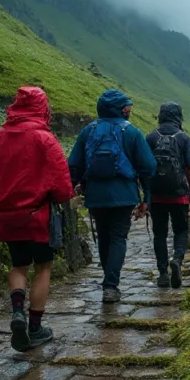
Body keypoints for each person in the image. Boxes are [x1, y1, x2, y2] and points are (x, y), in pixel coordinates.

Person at [0, 87, 73, 352]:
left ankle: (16, 313)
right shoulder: (45, 139)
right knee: (43, 267)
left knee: (18, 265)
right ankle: (35, 327)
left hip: (8, 216)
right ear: (42, 108)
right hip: (38, 216)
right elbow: (62, 185)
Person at [68, 89, 156, 303]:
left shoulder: (88, 131)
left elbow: (73, 164)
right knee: (118, 237)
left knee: (103, 235)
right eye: (126, 107)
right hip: (123, 194)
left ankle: (108, 279)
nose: (128, 110)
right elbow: (149, 166)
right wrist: (146, 198)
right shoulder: (132, 132)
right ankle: (110, 285)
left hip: (95, 194)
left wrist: (74, 187)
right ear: (120, 109)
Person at [146, 102, 190, 288]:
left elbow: (144, 167)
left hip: (157, 195)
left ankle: (162, 273)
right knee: (181, 230)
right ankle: (177, 259)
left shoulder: (151, 137)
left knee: (159, 233)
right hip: (179, 195)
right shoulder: (183, 138)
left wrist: (146, 195)